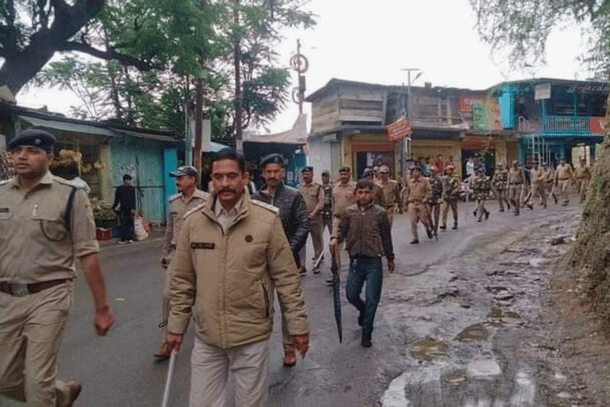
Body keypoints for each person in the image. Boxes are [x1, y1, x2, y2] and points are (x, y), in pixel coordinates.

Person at [164, 149, 310, 407]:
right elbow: (182, 280)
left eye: (231, 176)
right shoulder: (194, 222)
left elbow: (286, 279)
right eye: (218, 177)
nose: (224, 184)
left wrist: (297, 326)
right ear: (211, 180)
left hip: (251, 335)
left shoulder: (265, 221)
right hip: (207, 336)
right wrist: (176, 325)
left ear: (245, 178)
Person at [0, 128, 114, 407]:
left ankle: (48, 395)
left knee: (38, 383)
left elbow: (87, 253)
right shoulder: (2, 194)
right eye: (17, 151)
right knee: (3, 378)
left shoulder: (70, 196)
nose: (22, 157)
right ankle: (62, 394)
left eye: (32, 151)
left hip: (50, 295)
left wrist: (102, 308)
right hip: (5, 297)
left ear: (49, 157)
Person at [251, 153, 309, 367]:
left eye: (276, 171)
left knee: (288, 305)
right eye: (269, 172)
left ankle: (288, 348)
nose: (273, 175)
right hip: (260, 263)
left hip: (287, 262)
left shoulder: (293, 196)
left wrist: (288, 250)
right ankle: (258, 350)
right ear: (263, 174)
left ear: (282, 173)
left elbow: (304, 224)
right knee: (262, 305)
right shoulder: (255, 199)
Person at [329, 178, 395, 348]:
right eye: (361, 192)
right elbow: (341, 231)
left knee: (373, 299)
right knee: (351, 295)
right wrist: (335, 239)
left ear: (373, 193)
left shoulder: (380, 214)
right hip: (356, 262)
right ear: (355, 194)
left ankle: (367, 333)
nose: (364, 196)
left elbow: (386, 238)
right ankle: (363, 310)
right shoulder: (349, 212)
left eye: (367, 192)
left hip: (374, 262)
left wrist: (390, 258)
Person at [154, 166, 209, 360]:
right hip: (177, 254)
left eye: (181, 178)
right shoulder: (173, 202)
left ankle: (209, 337)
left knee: (203, 297)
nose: (177, 181)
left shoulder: (207, 200)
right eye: (176, 178)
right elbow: (170, 230)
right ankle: (166, 340)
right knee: (169, 295)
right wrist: (165, 252)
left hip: (200, 252)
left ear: (192, 179)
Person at [330, 166, 357, 282]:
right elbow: (333, 205)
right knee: (334, 246)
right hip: (338, 219)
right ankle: (335, 273)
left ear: (349, 175)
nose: (343, 177)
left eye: (345, 174)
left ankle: (356, 273)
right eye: (341, 174)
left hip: (352, 220)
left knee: (353, 247)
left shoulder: (355, 187)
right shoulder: (335, 188)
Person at [298, 166, 324, 274]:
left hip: (316, 219)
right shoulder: (299, 188)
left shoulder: (318, 188)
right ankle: (302, 265)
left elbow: (321, 202)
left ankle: (317, 264)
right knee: (301, 243)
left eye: (308, 174)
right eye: (304, 174)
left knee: (317, 242)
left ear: (312, 175)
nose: (306, 176)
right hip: (303, 220)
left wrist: (313, 213)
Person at [404, 165, 433, 244]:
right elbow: (407, 192)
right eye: (414, 172)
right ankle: (415, 237)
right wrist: (405, 202)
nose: (415, 173)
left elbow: (429, 191)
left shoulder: (425, 181)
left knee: (424, 220)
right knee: (413, 221)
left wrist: (426, 199)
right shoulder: (409, 182)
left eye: (417, 171)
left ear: (420, 173)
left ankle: (428, 229)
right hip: (412, 202)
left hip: (421, 203)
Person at [112, 173, 136, 244]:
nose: (128, 181)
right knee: (123, 224)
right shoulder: (119, 189)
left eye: (129, 180)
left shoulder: (132, 189)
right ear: (124, 181)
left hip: (130, 209)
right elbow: (117, 199)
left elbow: (133, 199)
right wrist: (113, 207)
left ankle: (130, 238)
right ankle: (123, 239)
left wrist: (134, 208)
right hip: (123, 209)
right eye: (127, 180)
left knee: (130, 223)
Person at [440, 165, 461, 230]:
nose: (449, 171)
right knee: (444, 211)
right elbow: (445, 188)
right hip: (446, 196)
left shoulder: (456, 178)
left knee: (454, 210)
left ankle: (455, 223)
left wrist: (455, 190)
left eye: (451, 170)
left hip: (453, 196)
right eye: (448, 170)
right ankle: (443, 224)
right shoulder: (444, 178)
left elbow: (459, 187)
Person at [427, 165, 443, 237]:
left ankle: (435, 230)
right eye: (431, 171)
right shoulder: (427, 180)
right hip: (429, 199)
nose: (432, 172)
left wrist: (441, 198)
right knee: (428, 215)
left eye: (433, 171)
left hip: (436, 199)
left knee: (436, 216)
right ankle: (431, 227)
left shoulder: (439, 180)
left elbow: (442, 189)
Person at [321, 170, 334, 236]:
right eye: (323, 176)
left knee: (333, 233)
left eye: (326, 176)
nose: (324, 178)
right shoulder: (319, 187)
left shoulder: (332, 187)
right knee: (319, 234)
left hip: (330, 211)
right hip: (321, 212)